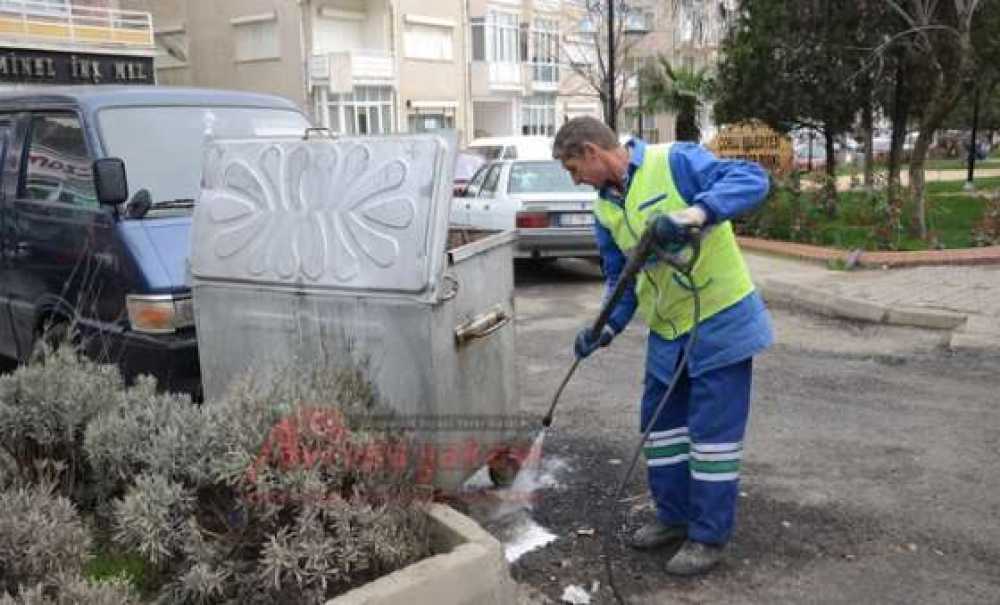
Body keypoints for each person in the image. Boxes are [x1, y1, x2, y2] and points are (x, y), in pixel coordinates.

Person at [552, 117, 773, 576]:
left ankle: (708, 537)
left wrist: (693, 214)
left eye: (575, 168)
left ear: (594, 152)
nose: (575, 179)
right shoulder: (605, 209)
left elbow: (752, 178)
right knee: (663, 430)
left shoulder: (674, 161)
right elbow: (622, 280)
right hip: (669, 331)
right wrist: (603, 327)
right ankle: (673, 519)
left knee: (712, 438)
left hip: (720, 319)